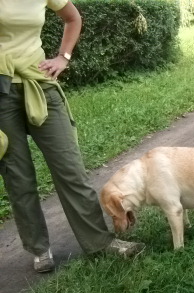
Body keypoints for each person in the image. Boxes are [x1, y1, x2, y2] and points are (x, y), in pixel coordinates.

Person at [0, 0, 143, 273]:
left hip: (41, 82)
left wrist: (62, 58)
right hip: (1, 92)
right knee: (18, 177)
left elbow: (72, 18)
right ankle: (39, 249)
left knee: (71, 169)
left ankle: (100, 242)